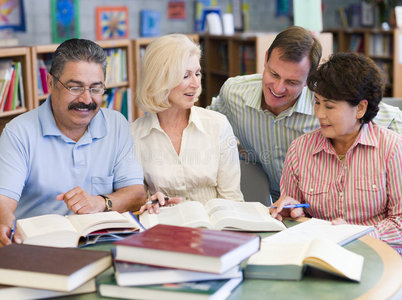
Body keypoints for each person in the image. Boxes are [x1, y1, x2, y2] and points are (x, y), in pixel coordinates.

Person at [208, 25, 402, 202]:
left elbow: (388, 117)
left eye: (292, 82)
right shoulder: (234, 93)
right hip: (277, 204)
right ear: (266, 58)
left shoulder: (325, 100)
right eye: (274, 74)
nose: (278, 88)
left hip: (321, 205)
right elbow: (206, 127)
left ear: (310, 78)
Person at [0, 38, 146, 246]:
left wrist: (101, 202)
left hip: (101, 244)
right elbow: (3, 200)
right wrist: (4, 223)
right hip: (37, 247)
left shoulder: (116, 124)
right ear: (51, 83)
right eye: (75, 88)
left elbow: (136, 193)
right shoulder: (18, 132)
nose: (86, 99)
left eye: (96, 88)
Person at [271, 52, 401, 251]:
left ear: (360, 108)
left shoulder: (392, 148)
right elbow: (292, 217)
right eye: (317, 102)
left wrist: (357, 234)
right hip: (319, 254)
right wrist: (289, 209)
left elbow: (399, 221)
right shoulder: (300, 149)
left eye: (330, 106)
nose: (320, 114)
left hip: (376, 254)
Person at [130, 34, 243, 214]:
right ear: (160, 80)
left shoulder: (218, 125)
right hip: (165, 230)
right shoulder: (135, 135)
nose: (196, 83)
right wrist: (150, 203)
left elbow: (232, 198)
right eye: (185, 75)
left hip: (214, 229)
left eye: (197, 73)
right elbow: (137, 203)